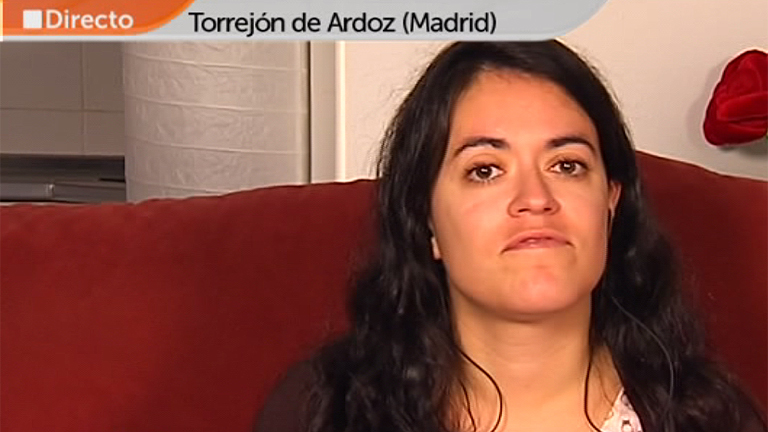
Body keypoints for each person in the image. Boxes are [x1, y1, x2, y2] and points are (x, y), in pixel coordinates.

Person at [254, 41, 766, 432]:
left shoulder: (710, 416)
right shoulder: (325, 410)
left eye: (567, 165)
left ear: (610, 205)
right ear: (425, 220)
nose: (535, 198)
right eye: (485, 170)